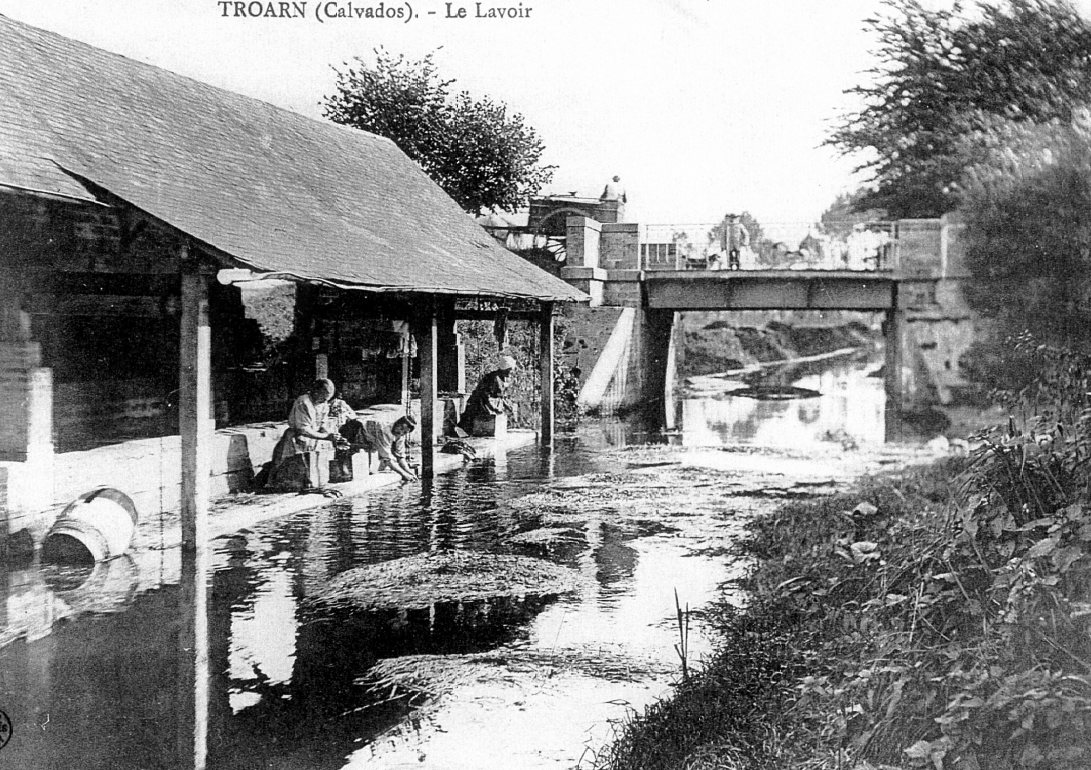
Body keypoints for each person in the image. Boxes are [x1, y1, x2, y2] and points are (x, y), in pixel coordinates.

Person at [267, 379, 347, 494]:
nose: (324, 401)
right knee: (291, 467)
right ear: (316, 391)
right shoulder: (303, 402)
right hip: (296, 439)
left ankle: (312, 484)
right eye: (323, 398)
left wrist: (333, 435)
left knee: (312, 468)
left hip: (313, 439)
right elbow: (303, 429)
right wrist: (326, 437)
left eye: (327, 399)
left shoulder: (324, 404)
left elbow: (323, 424)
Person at [457, 355, 518, 436]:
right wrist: (494, 409)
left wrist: (508, 408)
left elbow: (501, 397)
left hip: (487, 404)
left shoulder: (501, 379)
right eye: (509, 370)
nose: (511, 372)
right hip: (477, 404)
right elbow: (485, 396)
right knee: (468, 427)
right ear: (504, 369)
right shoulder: (492, 378)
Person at [357, 415, 419, 482]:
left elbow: (400, 456)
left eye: (404, 432)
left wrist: (410, 473)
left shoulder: (401, 435)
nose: (401, 433)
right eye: (400, 428)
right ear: (397, 424)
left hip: (371, 439)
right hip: (356, 430)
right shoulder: (384, 430)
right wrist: (404, 474)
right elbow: (387, 460)